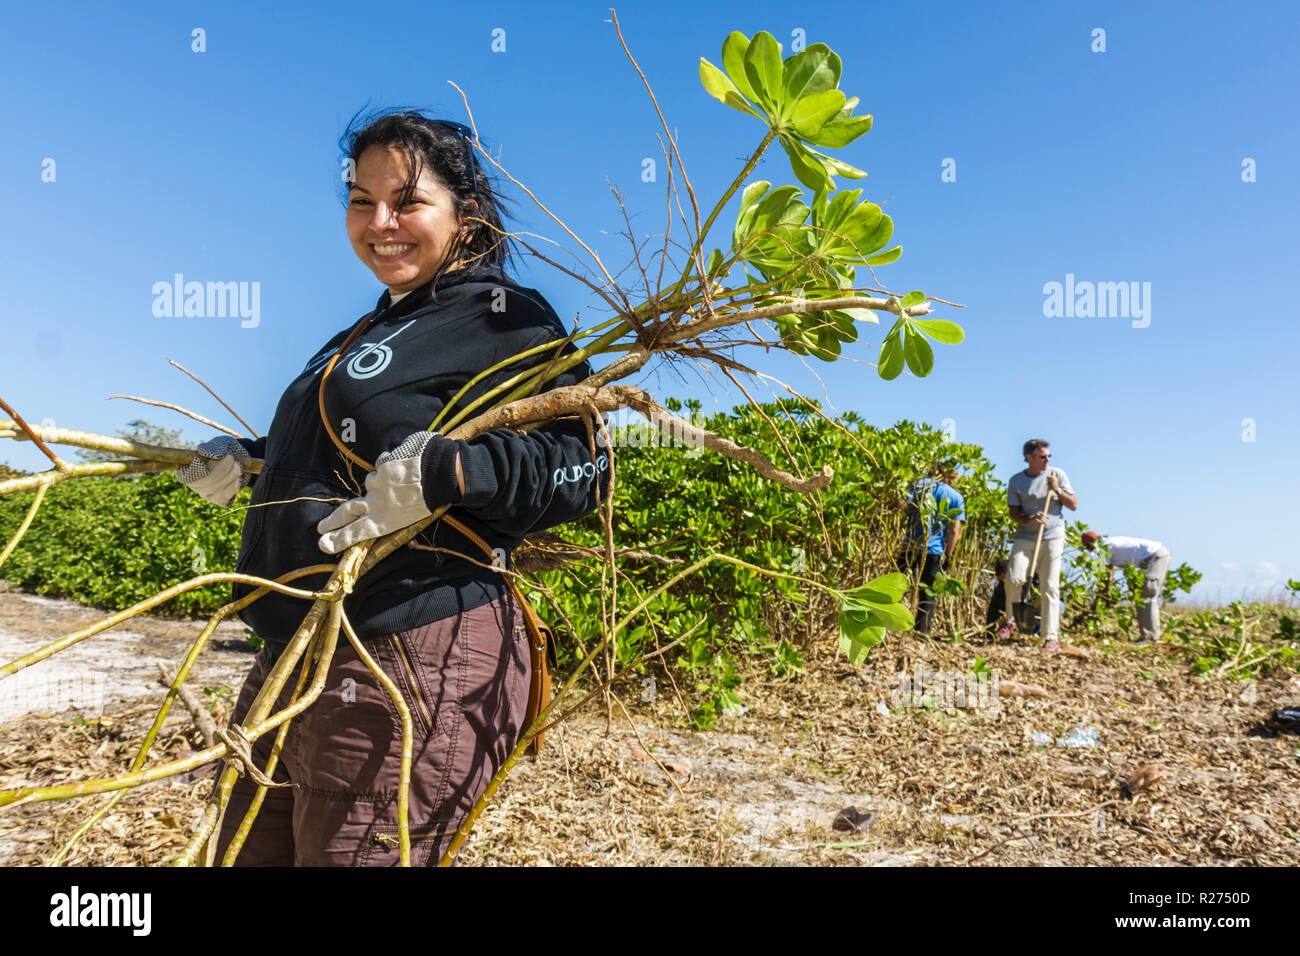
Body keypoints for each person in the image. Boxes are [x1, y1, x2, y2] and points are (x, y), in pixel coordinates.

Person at [176, 110, 610, 866]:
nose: (380, 223)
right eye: (359, 200)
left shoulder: (504, 318)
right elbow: (339, 452)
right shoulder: (360, 332)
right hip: (296, 648)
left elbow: (584, 472)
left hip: (408, 653)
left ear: (465, 216)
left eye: (407, 201)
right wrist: (246, 460)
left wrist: (451, 473)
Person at [998, 439, 1077, 652]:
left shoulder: (1057, 475)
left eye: (1048, 456)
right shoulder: (1016, 481)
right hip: (1025, 536)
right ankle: (1012, 621)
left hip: (1052, 536)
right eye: (1042, 457)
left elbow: (1073, 505)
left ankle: (1050, 636)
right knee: (1013, 577)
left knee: (1049, 586)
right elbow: (1014, 513)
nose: (1047, 460)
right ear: (1029, 458)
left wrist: (1057, 490)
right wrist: (1029, 518)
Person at [895, 461, 964, 637]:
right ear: (952, 476)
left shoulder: (919, 485)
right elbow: (954, 529)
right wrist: (948, 555)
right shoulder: (955, 496)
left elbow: (900, 505)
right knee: (928, 593)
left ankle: (891, 627)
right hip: (934, 550)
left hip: (909, 546)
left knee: (897, 586)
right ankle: (922, 633)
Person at [1081, 530, 1172, 642]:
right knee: (1142, 598)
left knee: (1147, 595)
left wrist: (1100, 598)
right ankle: (1148, 636)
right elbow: (1109, 571)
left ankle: (1151, 638)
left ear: (1091, 545)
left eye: (1088, 548)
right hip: (1156, 556)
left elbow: (1104, 576)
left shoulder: (1103, 548)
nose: (1090, 551)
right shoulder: (1108, 544)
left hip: (1156, 556)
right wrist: (1104, 594)